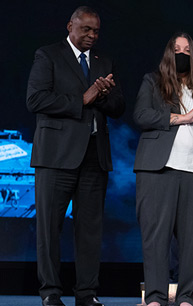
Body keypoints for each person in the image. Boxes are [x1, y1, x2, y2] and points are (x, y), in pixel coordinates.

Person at [26, 6, 125, 306]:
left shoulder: (103, 61)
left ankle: (86, 294)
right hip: (56, 157)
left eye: (96, 31)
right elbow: (35, 99)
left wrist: (105, 96)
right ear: (71, 26)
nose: (92, 36)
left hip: (94, 156)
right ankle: (50, 292)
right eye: (86, 30)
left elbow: (119, 107)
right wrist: (83, 99)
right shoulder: (48, 55)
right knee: (49, 229)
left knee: (90, 231)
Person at [133, 32, 193, 306]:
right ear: (168, 53)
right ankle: (156, 297)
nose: (182, 53)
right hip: (158, 170)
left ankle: (187, 297)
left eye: (187, 49)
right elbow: (141, 115)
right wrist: (180, 118)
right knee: (156, 238)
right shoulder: (154, 82)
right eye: (176, 48)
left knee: (192, 240)